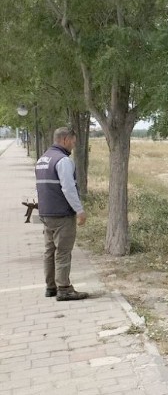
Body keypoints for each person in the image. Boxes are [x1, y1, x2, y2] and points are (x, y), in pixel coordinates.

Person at [35, 127, 88, 301]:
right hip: (61, 214)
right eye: (73, 141)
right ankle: (64, 289)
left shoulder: (43, 159)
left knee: (49, 251)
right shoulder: (63, 160)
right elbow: (68, 188)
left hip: (46, 213)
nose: (74, 144)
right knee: (63, 252)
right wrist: (79, 210)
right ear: (65, 139)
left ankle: (51, 287)